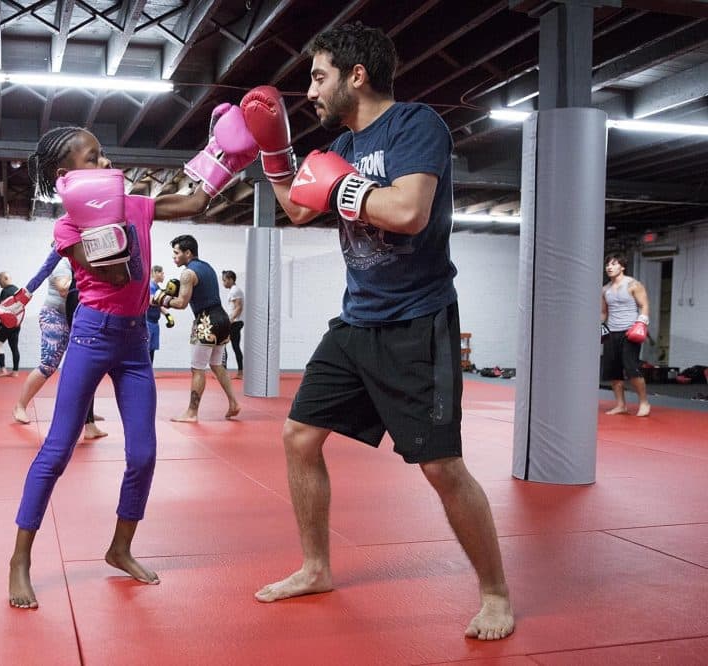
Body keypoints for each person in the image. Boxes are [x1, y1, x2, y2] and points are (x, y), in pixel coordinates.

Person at [239, 22, 514, 640]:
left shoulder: (416, 125)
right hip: (356, 320)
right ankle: (316, 566)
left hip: (418, 321)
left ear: (355, 76)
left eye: (318, 76)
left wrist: (336, 181)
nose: (310, 91)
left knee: (441, 469)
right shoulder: (339, 145)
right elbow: (296, 207)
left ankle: (495, 592)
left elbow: (409, 213)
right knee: (298, 437)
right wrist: (276, 154)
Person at [8, 114, 254, 609]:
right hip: (93, 334)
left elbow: (194, 199)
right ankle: (20, 560)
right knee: (56, 449)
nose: (107, 161)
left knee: (143, 455)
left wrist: (227, 156)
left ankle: (120, 548)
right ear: (67, 176)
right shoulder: (66, 225)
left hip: (135, 344)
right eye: (94, 157)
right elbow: (117, 276)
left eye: (104, 152)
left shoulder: (135, 203)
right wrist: (107, 214)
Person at [9, 248, 107, 440]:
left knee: (87, 364)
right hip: (54, 315)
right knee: (48, 364)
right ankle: (20, 405)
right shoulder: (61, 263)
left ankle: (87, 416)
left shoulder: (79, 263)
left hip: (78, 316)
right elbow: (64, 288)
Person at [157, 235, 241, 422]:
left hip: (206, 321)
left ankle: (192, 412)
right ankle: (234, 403)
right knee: (216, 364)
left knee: (197, 369)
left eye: (177, 253)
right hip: (222, 318)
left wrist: (161, 299)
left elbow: (181, 303)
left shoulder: (187, 273)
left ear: (188, 253)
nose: (174, 257)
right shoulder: (207, 267)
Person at [601, 253, 651, 417]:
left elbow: (644, 305)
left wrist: (641, 323)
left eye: (614, 264)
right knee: (613, 371)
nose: (609, 267)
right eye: (608, 264)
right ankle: (621, 405)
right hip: (612, 332)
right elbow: (603, 312)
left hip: (630, 331)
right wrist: (599, 326)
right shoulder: (605, 289)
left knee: (631, 368)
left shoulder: (633, 284)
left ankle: (644, 402)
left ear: (622, 266)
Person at [0, 272, 22, 377]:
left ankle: (3, 369)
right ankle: (15, 372)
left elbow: (1, 309)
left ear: (5, 278)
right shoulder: (18, 291)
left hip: (6, 324)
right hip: (17, 323)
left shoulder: (5, 291)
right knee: (14, 347)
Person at [146, 265, 175, 363]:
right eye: (161, 273)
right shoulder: (150, 286)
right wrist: (166, 298)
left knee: (152, 349)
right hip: (147, 322)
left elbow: (159, 304)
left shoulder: (157, 287)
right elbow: (151, 301)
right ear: (155, 272)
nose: (163, 275)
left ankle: (150, 370)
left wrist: (167, 315)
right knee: (146, 349)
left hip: (154, 322)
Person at [221, 270, 244, 379]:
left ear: (230, 279)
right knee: (234, 346)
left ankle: (224, 372)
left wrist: (229, 320)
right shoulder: (234, 290)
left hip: (234, 323)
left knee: (222, 344)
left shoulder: (235, 291)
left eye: (224, 280)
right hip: (235, 322)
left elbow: (238, 307)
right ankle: (239, 372)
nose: (223, 283)